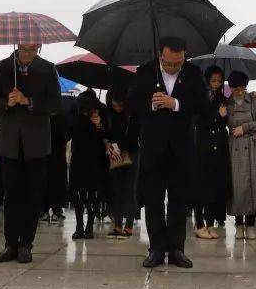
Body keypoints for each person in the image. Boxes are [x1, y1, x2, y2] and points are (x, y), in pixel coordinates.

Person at [128, 36, 207, 269]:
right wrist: (150, 104)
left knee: (178, 200)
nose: (173, 67)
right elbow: (131, 103)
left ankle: (177, 250)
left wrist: (176, 104)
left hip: (182, 149)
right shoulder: (145, 71)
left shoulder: (193, 72)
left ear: (184, 56)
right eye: (169, 63)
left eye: (178, 63)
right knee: (153, 199)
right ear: (161, 55)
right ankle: (156, 249)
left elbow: (203, 106)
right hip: (153, 148)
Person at [0, 43, 63, 264]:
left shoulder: (48, 69)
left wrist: (28, 101)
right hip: (10, 141)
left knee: (32, 194)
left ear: (38, 47)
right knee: (11, 194)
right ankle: (10, 243)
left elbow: (56, 104)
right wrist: (6, 102)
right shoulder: (1, 67)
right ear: (18, 46)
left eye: (33, 50)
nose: (28, 55)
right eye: (25, 50)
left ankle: (25, 245)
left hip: (36, 143)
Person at [227, 70, 256, 241]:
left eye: (242, 88)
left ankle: (250, 224)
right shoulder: (226, 103)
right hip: (234, 146)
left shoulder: (254, 100)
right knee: (237, 186)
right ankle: (238, 224)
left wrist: (244, 127)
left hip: (251, 145)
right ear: (231, 88)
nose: (239, 92)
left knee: (253, 184)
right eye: (236, 89)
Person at [193, 66, 230, 240]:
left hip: (219, 147)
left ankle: (209, 223)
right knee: (201, 187)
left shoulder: (223, 98)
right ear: (207, 80)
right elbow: (198, 121)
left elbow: (225, 122)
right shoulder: (199, 97)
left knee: (213, 188)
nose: (216, 84)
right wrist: (217, 115)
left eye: (219, 80)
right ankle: (199, 224)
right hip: (202, 147)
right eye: (213, 80)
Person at [69, 95, 109, 240]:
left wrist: (99, 124)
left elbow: (108, 135)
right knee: (77, 193)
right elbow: (69, 132)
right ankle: (79, 225)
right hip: (78, 157)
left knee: (94, 194)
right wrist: (80, 121)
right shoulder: (75, 110)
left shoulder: (102, 110)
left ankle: (90, 225)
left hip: (96, 158)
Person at [105, 88, 139, 239]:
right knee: (116, 190)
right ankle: (117, 225)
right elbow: (106, 134)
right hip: (115, 154)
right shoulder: (109, 114)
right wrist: (108, 145)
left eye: (120, 105)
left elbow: (138, 134)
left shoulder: (134, 115)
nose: (117, 108)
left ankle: (129, 226)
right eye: (114, 105)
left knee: (130, 190)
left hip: (131, 153)